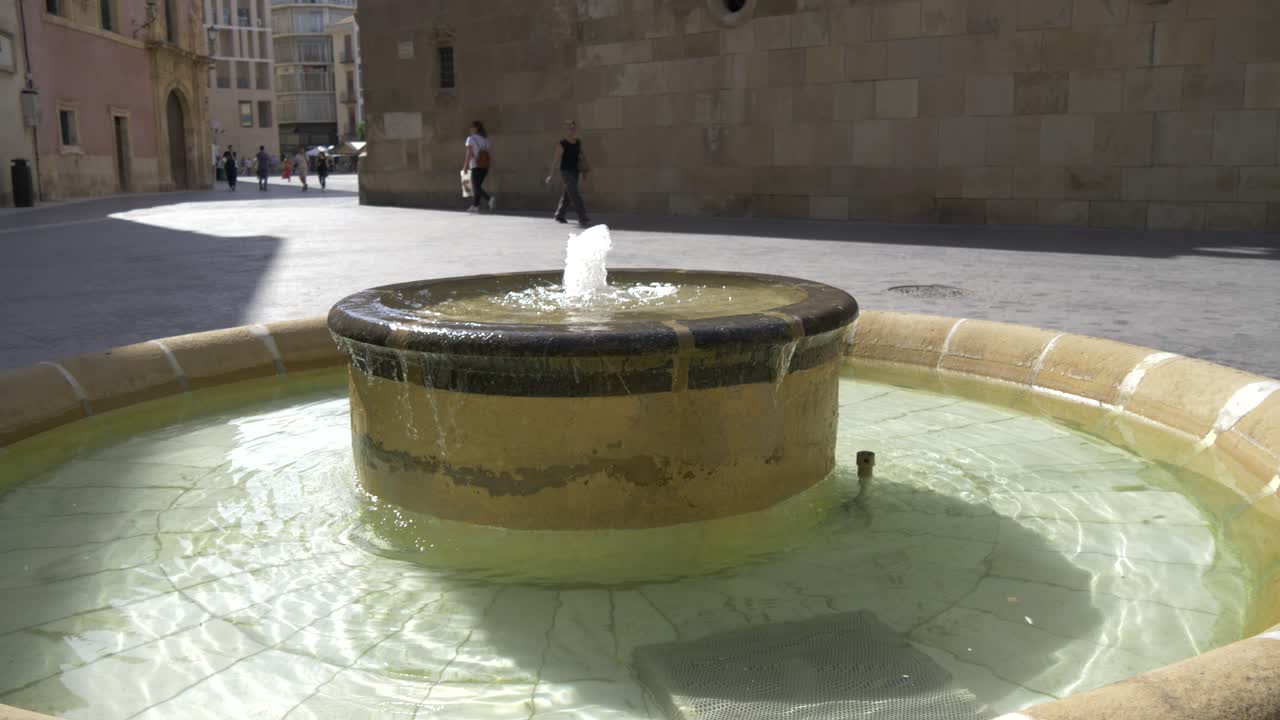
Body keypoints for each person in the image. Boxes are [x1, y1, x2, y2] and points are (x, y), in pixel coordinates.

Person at [545, 120, 590, 227]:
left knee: (567, 195)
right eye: (570, 128)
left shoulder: (578, 142)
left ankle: (559, 215)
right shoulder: (562, 144)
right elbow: (556, 160)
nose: (572, 130)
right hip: (566, 172)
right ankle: (583, 217)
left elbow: (581, 157)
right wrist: (550, 175)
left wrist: (584, 171)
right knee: (575, 194)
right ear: (566, 130)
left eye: (573, 128)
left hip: (575, 171)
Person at [462, 121, 495, 213]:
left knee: (475, 186)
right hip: (485, 166)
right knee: (477, 186)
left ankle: (489, 199)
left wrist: (465, 166)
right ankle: (475, 206)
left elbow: (469, 153)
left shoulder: (470, 139)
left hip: (476, 166)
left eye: (472, 127)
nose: (470, 129)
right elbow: (489, 154)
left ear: (476, 129)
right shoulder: (485, 139)